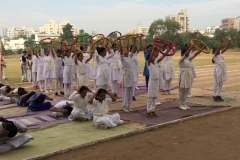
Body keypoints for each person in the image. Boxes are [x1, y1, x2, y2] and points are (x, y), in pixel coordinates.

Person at [178, 45, 205, 110]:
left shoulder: (188, 59)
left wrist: (202, 49)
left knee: (187, 89)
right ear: (182, 53)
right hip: (183, 75)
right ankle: (180, 104)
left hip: (188, 74)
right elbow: (185, 55)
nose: (187, 54)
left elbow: (195, 54)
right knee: (182, 90)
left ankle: (184, 103)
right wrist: (190, 48)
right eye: (185, 53)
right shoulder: (181, 60)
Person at [146, 46, 166, 117]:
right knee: (150, 96)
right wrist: (153, 50)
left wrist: (168, 50)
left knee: (155, 96)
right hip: (152, 81)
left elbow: (162, 57)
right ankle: (148, 110)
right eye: (153, 56)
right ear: (150, 58)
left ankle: (153, 110)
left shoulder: (156, 63)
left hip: (156, 82)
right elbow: (150, 57)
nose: (154, 57)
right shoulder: (149, 64)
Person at [212, 35, 231, 102]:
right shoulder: (214, 55)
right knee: (217, 82)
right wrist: (221, 42)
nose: (218, 50)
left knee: (221, 82)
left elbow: (226, 48)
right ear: (214, 51)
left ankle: (218, 94)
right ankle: (214, 95)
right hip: (218, 68)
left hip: (222, 67)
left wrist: (229, 41)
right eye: (216, 49)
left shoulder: (219, 53)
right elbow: (219, 49)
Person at [119, 38, 135, 112]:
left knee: (131, 90)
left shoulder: (129, 57)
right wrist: (120, 41)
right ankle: (124, 105)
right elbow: (121, 51)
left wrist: (134, 41)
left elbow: (133, 49)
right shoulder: (122, 58)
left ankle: (129, 105)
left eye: (127, 50)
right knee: (126, 91)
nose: (127, 51)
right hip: (126, 75)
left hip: (131, 75)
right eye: (125, 50)